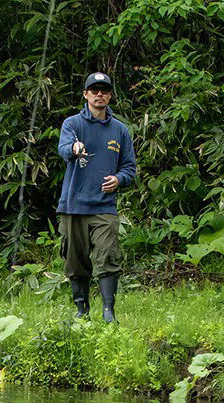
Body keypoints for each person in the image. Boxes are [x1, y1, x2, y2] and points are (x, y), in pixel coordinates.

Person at [56, 72, 137, 322]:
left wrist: (119, 179)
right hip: (73, 206)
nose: (99, 94)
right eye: (94, 90)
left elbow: (129, 168)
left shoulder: (120, 130)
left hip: (104, 207)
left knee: (107, 256)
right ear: (85, 94)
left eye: (104, 90)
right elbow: (63, 148)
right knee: (75, 261)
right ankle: (82, 310)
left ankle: (108, 311)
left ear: (110, 95)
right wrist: (74, 148)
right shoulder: (72, 124)